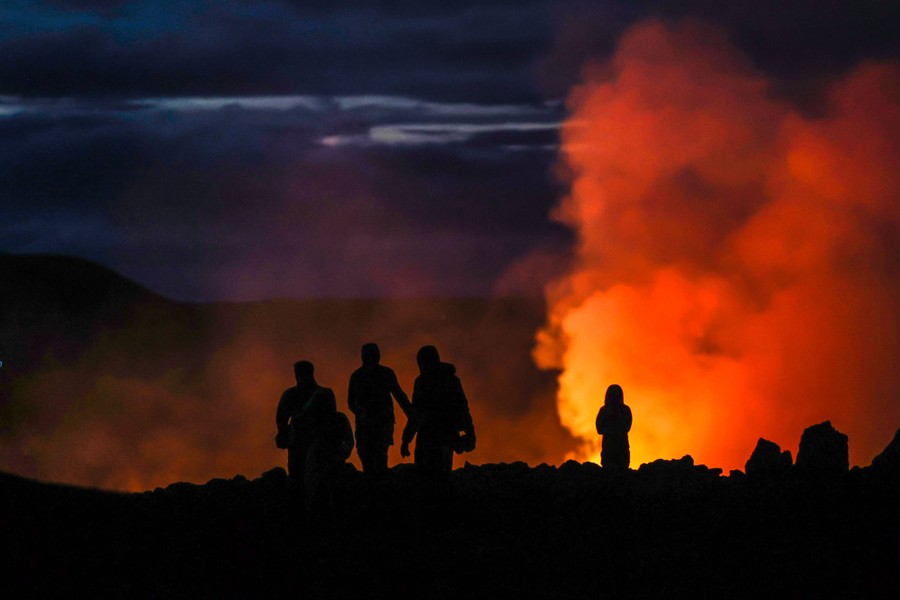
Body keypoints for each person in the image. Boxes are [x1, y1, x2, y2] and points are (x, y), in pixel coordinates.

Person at [400, 345, 475, 476]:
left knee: (431, 479)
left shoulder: (425, 382)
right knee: (436, 478)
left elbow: (415, 414)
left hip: (434, 437)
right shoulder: (447, 380)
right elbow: (462, 408)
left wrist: (406, 440)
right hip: (438, 435)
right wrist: (470, 432)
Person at [348, 343, 412, 476]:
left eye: (373, 355)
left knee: (379, 461)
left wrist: (412, 414)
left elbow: (400, 396)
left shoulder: (383, 374)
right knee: (368, 461)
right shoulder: (357, 376)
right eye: (368, 356)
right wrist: (360, 412)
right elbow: (351, 402)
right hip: (366, 426)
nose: (371, 359)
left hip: (381, 425)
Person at [275, 360, 320, 485]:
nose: (300, 378)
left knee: (314, 477)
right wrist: (283, 433)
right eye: (298, 375)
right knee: (297, 477)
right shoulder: (291, 394)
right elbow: (281, 418)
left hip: (315, 442)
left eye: (301, 375)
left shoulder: (321, 394)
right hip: (297, 442)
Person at [595, 384, 632, 470]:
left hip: (622, 450)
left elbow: (627, 427)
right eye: (612, 395)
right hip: (608, 450)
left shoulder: (625, 410)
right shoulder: (604, 411)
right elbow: (599, 429)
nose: (614, 398)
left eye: (617, 395)